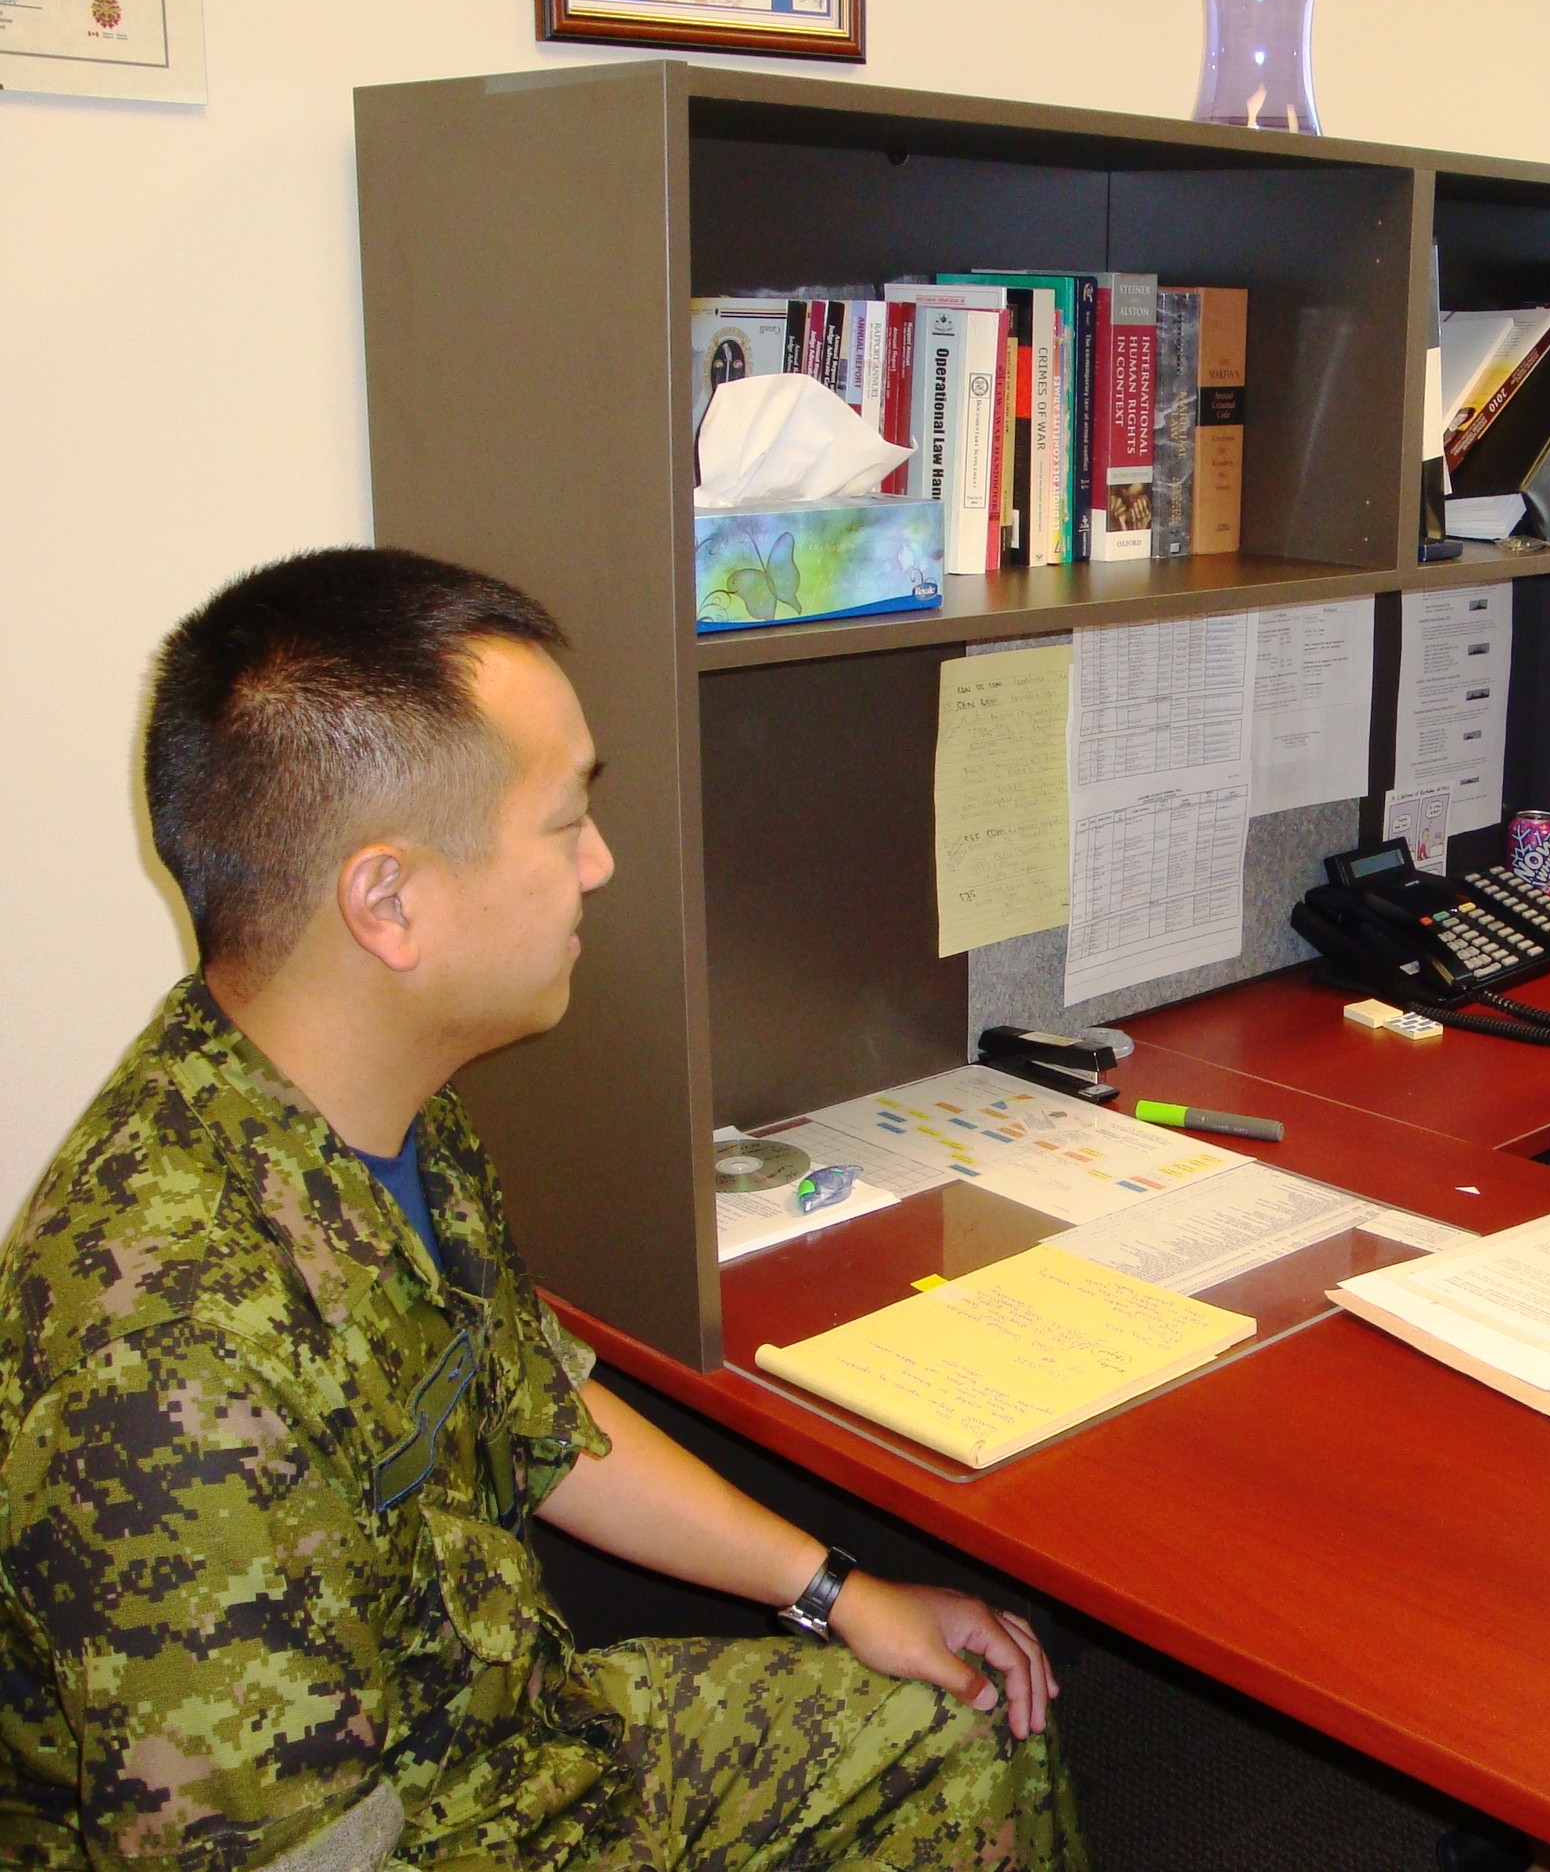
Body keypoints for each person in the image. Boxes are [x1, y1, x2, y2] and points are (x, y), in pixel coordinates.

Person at [0, 550, 1088, 1871]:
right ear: (389, 903)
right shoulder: (172, 1359)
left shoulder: (378, 1102)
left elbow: (538, 1409)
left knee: (959, 1726)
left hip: (499, 1740)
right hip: (386, 1836)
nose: (602, 862)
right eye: (566, 819)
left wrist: (833, 1591)